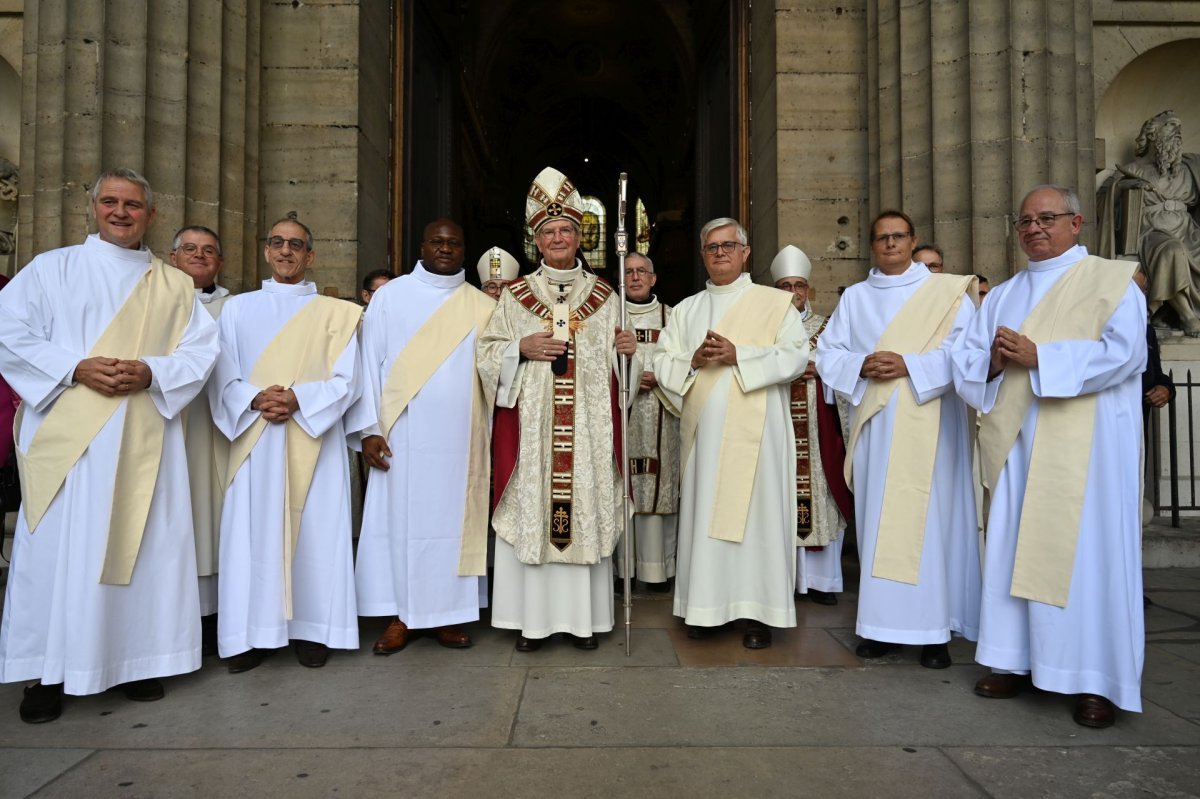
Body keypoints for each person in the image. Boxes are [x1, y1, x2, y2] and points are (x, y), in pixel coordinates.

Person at [0, 168, 219, 723]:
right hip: (68, 439)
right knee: (56, 554)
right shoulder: (53, 269)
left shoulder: (173, 284)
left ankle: (136, 662)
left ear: (151, 214)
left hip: (143, 432)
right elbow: (9, 330)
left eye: (134, 205)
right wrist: (74, 366)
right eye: (112, 203)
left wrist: (151, 373)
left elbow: (200, 351)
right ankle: (46, 673)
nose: (122, 213)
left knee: (144, 547)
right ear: (93, 207)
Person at [953, 185, 1147, 728]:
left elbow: (1126, 354)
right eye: (1025, 221)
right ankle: (1013, 661)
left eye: (1047, 218)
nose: (1034, 228)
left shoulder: (1111, 282)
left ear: (1076, 222)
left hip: (1088, 452)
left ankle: (1097, 679)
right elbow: (967, 364)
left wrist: (1043, 357)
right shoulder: (1003, 295)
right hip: (1020, 445)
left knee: (1091, 559)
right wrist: (991, 363)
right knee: (1014, 550)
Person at [477, 166, 636, 652]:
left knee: (582, 510)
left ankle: (583, 623)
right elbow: (486, 354)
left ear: (579, 235)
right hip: (533, 431)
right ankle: (531, 624)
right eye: (549, 232)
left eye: (567, 229)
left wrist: (626, 351)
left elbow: (624, 374)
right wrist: (518, 348)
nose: (558, 238)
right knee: (534, 513)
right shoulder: (514, 297)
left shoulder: (610, 297)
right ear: (536, 241)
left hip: (587, 431)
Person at [817, 210, 980, 669]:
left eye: (898, 236)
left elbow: (966, 353)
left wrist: (911, 365)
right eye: (881, 238)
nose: (890, 244)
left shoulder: (945, 294)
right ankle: (880, 628)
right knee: (879, 523)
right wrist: (862, 366)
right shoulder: (855, 299)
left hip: (932, 422)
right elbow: (831, 353)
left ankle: (935, 633)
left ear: (913, 241)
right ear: (872, 246)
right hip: (878, 427)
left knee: (932, 526)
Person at [209, 214, 363, 672]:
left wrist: (300, 398)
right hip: (255, 434)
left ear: (310, 256)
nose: (286, 251)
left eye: (296, 244)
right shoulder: (236, 309)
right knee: (252, 534)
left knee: (318, 534)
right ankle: (252, 633)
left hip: (312, 434)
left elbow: (350, 379)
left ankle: (314, 629)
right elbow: (221, 371)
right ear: (265, 251)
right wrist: (254, 397)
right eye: (277, 242)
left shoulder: (338, 313)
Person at [653, 218, 809, 648]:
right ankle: (706, 609)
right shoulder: (686, 310)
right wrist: (694, 360)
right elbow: (663, 361)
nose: (720, 253)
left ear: (745, 252)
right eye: (711, 247)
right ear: (703, 255)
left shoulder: (775, 304)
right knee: (706, 517)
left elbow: (796, 356)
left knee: (759, 520)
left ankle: (759, 614)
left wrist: (741, 355)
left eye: (728, 245)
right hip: (705, 438)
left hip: (760, 435)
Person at [350, 219, 495, 653]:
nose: (446, 248)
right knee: (401, 524)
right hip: (402, 435)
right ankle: (402, 616)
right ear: (422, 246)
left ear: (464, 250)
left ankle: (448, 615)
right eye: (438, 241)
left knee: (452, 524)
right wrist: (367, 431)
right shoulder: (391, 297)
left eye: (454, 242)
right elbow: (366, 365)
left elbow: (496, 372)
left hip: (460, 439)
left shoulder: (481, 305)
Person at [770, 245, 853, 606]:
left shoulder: (829, 328)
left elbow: (845, 368)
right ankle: (783, 579)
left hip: (819, 424)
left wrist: (823, 371)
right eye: (785, 286)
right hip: (779, 421)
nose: (793, 293)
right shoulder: (766, 328)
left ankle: (821, 582)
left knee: (820, 495)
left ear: (808, 290)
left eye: (799, 286)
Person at [169, 225, 232, 656]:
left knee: (217, 516)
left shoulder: (237, 308)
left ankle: (215, 616)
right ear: (172, 258)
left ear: (220, 262)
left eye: (209, 250)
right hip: (170, 424)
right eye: (189, 249)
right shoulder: (154, 304)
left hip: (221, 425)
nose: (199, 256)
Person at [1098, 111, 1200, 336]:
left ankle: (1158, 308)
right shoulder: (1133, 170)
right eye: (1170, 127)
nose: (1177, 134)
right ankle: (1186, 315)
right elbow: (1102, 200)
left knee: (1182, 247)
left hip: (1188, 231)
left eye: (1179, 130)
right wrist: (1124, 188)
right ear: (1153, 135)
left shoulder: (1190, 169)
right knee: (1172, 250)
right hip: (1152, 231)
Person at [614, 252, 681, 592]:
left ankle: (657, 570)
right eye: (629, 272)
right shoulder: (610, 314)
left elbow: (686, 362)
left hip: (662, 413)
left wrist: (662, 378)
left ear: (654, 278)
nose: (636, 277)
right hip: (621, 415)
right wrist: (627, 376)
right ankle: (621, 569)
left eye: (642, 271)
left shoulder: (673, 317)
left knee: (658, 489)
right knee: (622, 487)